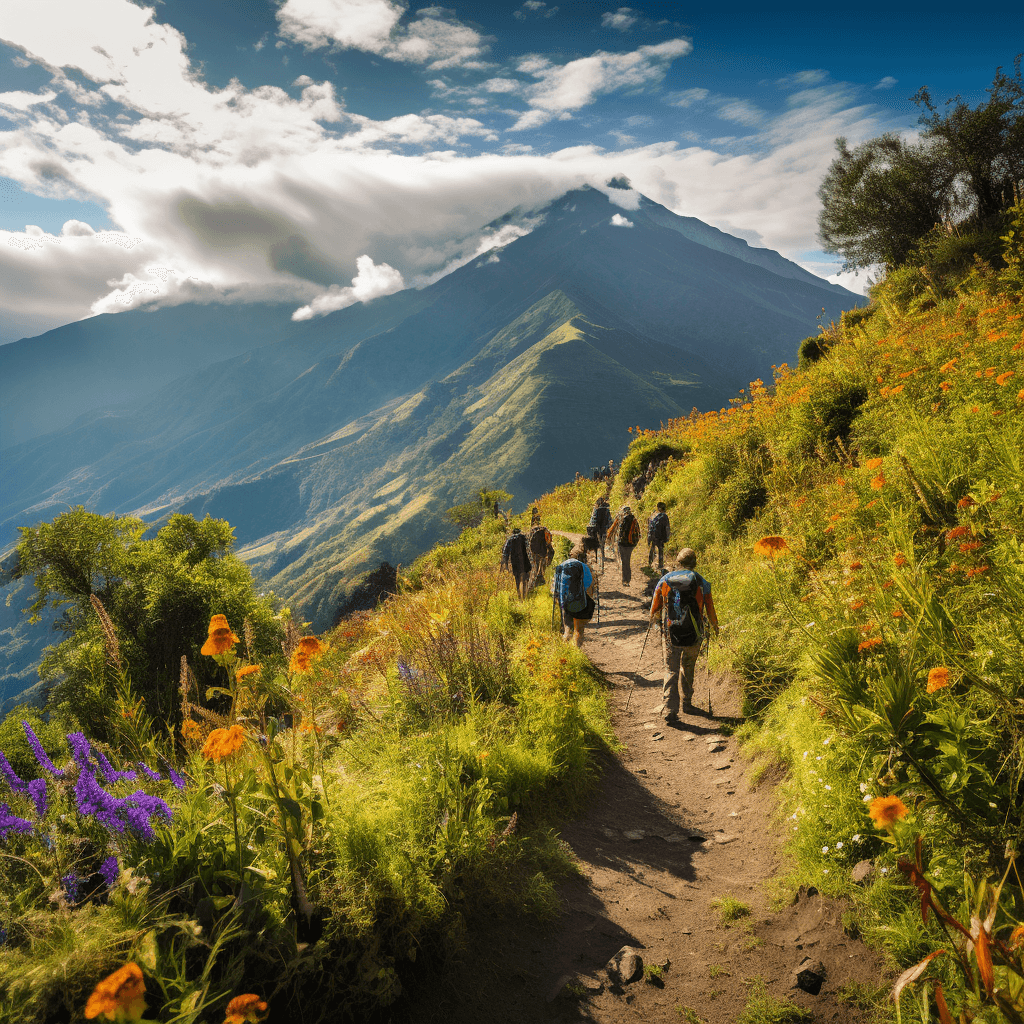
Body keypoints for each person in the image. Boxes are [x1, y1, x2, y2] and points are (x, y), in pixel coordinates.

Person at [649, 548, 720, 723]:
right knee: (688, 666)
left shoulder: (665, 580)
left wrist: (656, 622)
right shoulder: (701, 581)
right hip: (694, 633)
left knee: (670, 669)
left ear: (678, 562)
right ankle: (687, 703)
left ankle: (669, 708)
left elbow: (655, 608)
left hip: (671, 633)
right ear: (695, 563)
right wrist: (714, 626)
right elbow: (709, 608)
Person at [553, 544, 596, 647]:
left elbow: (555, 586)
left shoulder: (561, 566)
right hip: (579, 601)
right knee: (578, 630)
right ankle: (576, 651)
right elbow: (588, 584)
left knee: (567, 629)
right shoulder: (583, 566)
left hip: (564, 602)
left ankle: (564, 652)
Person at [608, 504, 641, 585]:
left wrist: (608, 537)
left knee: (624, 561)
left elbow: (613, 528)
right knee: (628, 560)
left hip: (622, 543)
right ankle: (628, 579)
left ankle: (624, 580)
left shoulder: (620, 518)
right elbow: (638, 532)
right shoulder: (634, 519)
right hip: (631, 544)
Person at [500, 527, 532, 599]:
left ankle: (519, 596)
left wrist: (505, 563)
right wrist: (531, 561)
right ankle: (525, 596)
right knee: (525, 579)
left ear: (513, 532)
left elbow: (505, 552)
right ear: (520, 532)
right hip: (525, 561)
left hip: (515, 562)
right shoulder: (524, 538)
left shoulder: (510, 540)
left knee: (517, 580)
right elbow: (529, 550)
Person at [586, 498, 612, 568]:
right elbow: (610, 520)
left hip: (596, 529)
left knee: (595, 544)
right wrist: (608, 527)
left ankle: (596, 557)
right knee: (602, 543)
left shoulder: (596, 509)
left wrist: (590, 527)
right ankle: (603, 555)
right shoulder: (607, 510)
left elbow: (593, 520)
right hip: (603, 528)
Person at [528, 519, 554, 585]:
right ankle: (539, 578)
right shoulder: (545, 530)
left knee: (536, 565)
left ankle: (535, 579)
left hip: (534, 550)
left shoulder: (532, 531)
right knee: (541, 564)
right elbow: (549, 541)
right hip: (542, 551)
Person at [647, 501, 670, 570]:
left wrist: (649, 537)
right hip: (661, 537)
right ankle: (660, 565)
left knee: (652, 548)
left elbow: (650, 526)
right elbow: (667, 528)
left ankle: (649, 563)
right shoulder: (665, 516)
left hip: (654, 535)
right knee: (660, 550)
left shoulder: (654, 515)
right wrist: (667, 537)